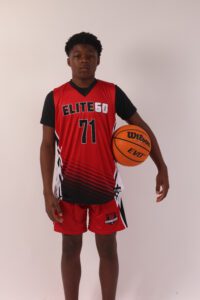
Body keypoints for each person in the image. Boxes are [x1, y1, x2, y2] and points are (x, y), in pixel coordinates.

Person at [40, 32, 169, 300]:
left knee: (108, 249)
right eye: (78, 56)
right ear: (68, 61)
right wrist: (46, 192)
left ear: (99, 61)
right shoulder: (55, 97)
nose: (84, 61)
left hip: (106, 185)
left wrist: (162, 166)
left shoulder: (112, 92)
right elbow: (46, 145)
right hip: (68, 187)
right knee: (69, 248)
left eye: (90, 56)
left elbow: (141, 128)